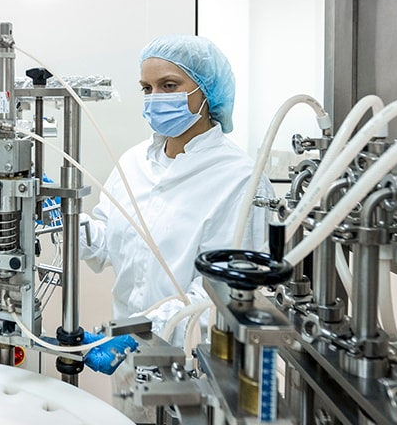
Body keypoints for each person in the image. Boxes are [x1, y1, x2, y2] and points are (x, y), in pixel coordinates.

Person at [80, 34, 272, 350]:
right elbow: (107, 241)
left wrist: (141, 332)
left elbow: (226, 293)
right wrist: (58, 219)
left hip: (195, 361)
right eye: (147, 88)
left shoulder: (241, 179)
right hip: (129, 352)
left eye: (169, 86)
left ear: (206, 91)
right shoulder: (133, 162)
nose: (155, 97)